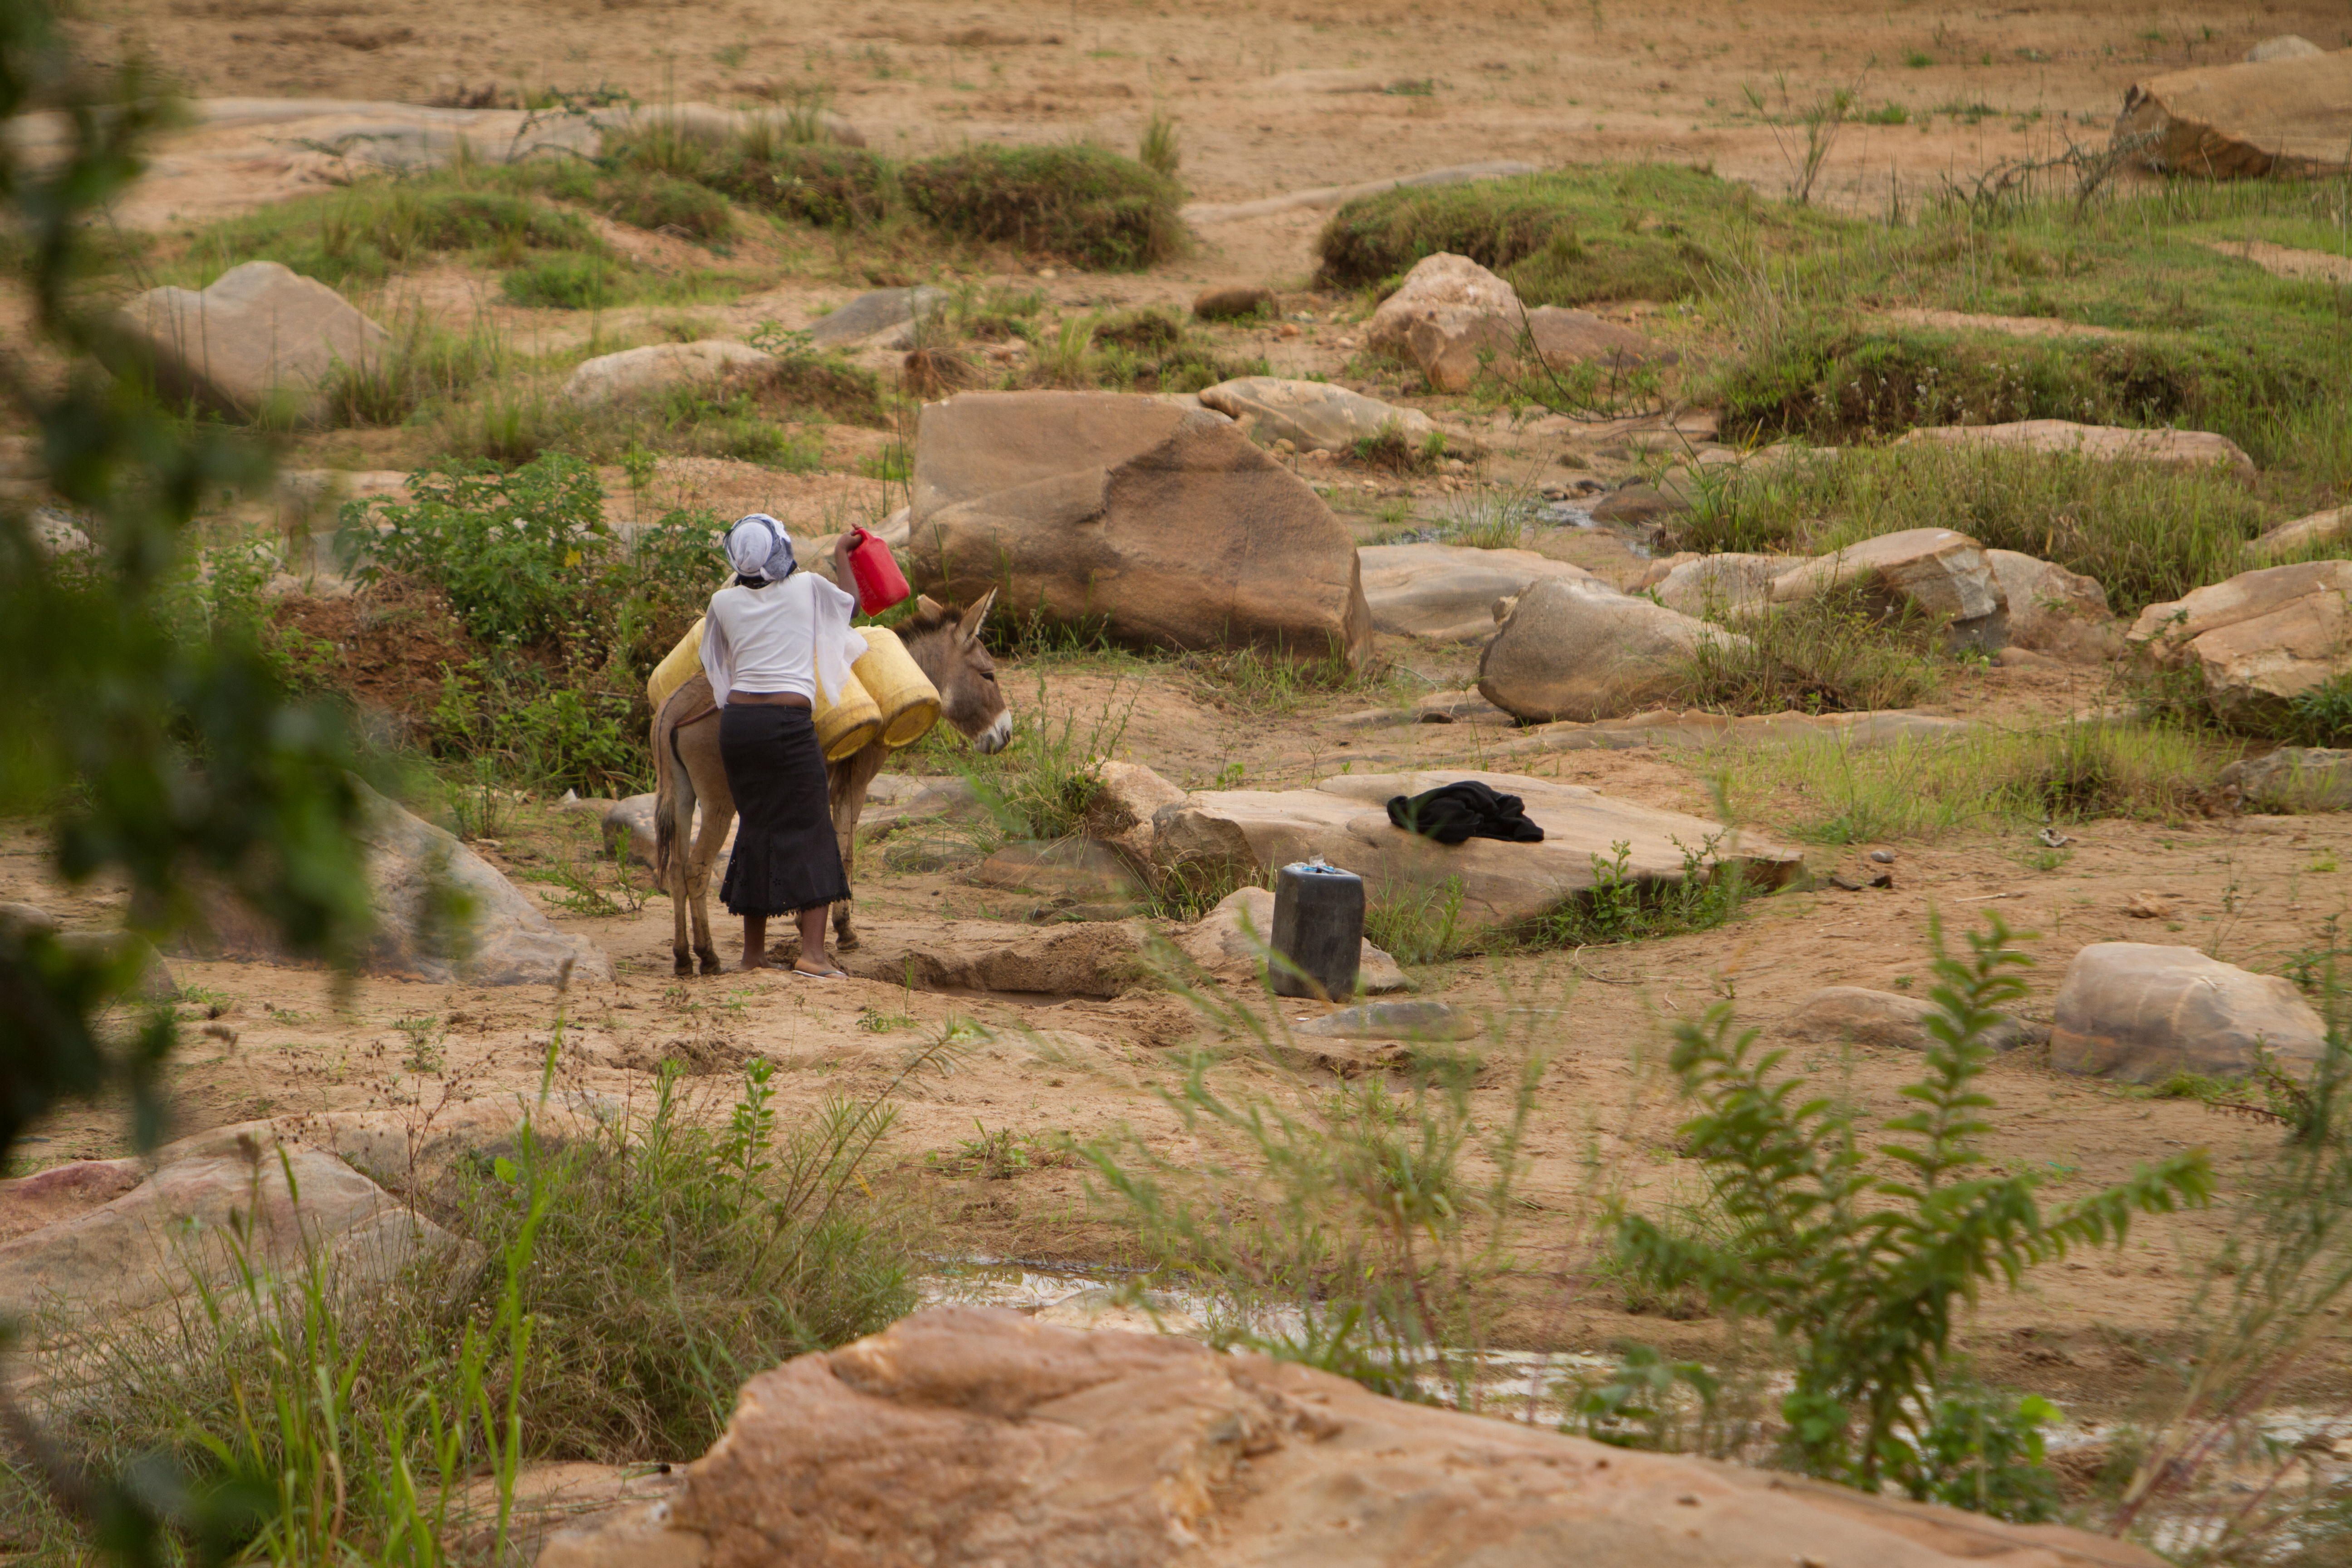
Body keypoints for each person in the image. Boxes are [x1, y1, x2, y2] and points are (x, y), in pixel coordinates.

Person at [698, 514, 864, 976]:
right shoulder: (808, 586)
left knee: (756, 828)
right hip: (788, 725)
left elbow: (714, 661)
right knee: (811, 829)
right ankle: (812, 956)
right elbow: (852, 607)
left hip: (739, 727)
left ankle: (753, 955)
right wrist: (840, 555)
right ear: (781, 551)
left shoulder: (721, 602)